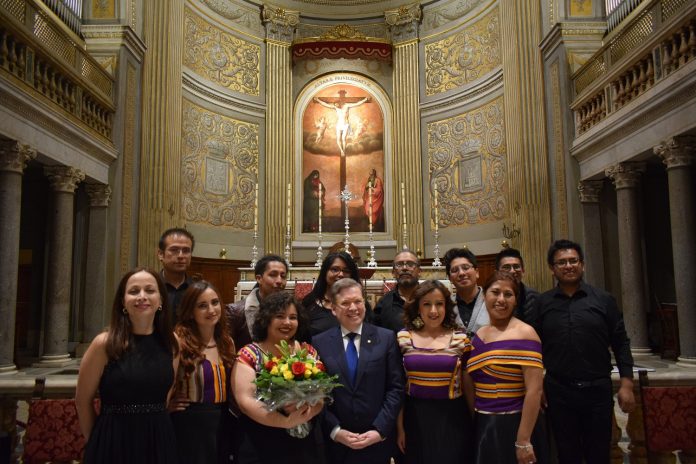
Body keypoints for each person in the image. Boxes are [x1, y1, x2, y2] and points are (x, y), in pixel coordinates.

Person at [531, 239, 635, 464]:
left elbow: (621, 342)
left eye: (573, 261)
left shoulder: (604, 300)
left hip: (597, 390)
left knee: (599, 453)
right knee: (567, 454)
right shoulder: (542, 303)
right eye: (561, 262)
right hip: (558, 391)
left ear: (583, 265)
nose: (568, 266)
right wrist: (537, 385)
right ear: (552, 269)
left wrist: (626, 384)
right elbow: (533, 348)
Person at [76, 268, 179, 464]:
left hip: (158, 439)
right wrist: (97, 442)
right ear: (123, 302)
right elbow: (82, 401)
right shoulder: (103, 344)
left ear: (161, 300)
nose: (142, 296)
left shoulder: (171, 342)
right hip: (113, 439)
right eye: (134, 291)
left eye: (150, 290)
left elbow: (166, 393)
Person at [312, 278, 404, 464]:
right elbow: (315, 393)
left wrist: (380, 429)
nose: (353, 308)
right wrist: (335, 431)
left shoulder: (385, 338)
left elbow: (396, 388)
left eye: (358, 301)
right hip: (337, 444)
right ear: (334, 309)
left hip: (377, 441)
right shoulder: (319, 343)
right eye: (345, 303)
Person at [231, 292, 324, 464]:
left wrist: (305, 413)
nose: (287, 322)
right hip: (261, 440)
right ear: (266, 319)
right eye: (280, 316)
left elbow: (321, 394)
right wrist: (286, 421)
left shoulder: (308, 351)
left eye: (293, 317)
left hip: (305, 440)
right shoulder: (250, 354)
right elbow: (245, 401)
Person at [465, 271, 546, 464]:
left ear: (516, 300)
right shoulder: (479, 335)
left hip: (515, 424)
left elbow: (534, 391)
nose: (501, 299)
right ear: (484, 296)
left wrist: (523, 440)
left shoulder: (525, 333)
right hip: (484, 423)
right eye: (495, 292)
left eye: (508, 294)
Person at [396, 280, 473, 464]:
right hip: (414, 417)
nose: (433, 311)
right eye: (427, 304)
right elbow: (397, 386)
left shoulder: (461, 339)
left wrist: (474, 419)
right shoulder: (403, 338)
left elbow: (468, 384)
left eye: (439, 304)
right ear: (417, 308)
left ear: (447, 306)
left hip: (453, 418)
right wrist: (399, 428)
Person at [169, 280, 237, 464]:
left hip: (222, 419)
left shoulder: (226, 341)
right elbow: (162, 382)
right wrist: (166, 404)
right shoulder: (179, 341)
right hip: (190, 422)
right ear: (190, 311)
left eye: (215, 303)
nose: (211, 310)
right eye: (202, 306)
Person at [300, 251, 373, 341]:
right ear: (325, 272)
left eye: (346, 271)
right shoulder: (310, 303)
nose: (341, 274)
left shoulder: (360, 305)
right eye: (335, 269)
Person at [226, 254, 287, 349]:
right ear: (259, 279)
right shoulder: (235, 312)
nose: (279, 280)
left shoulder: (290, 310)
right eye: (273, 275)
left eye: (283, 276)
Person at [443, 247, 489, 334]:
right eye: (455, 270)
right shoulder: (446, 304)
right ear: (450, 278)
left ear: (477, 272)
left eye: (466, 267)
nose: (461, 273)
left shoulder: (492, 300)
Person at [374, 250, 420, 333]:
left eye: (410, 264)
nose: (405, 268)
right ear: (393, 273)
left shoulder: (429, 299)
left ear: (419, 271)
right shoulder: (384, 303)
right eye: (399, 264)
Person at [158, 228, 195, 320]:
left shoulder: (196, 291)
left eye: (186, 251)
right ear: (161, 254)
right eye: (174, 250)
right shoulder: (151, 288)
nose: (181, 256)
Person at [495, 247, 539, 322]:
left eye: (516, 267)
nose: (512, 271)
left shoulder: (535, 298)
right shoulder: (492, 296)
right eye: (506, 267)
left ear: (523, 270)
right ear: (497, 272)